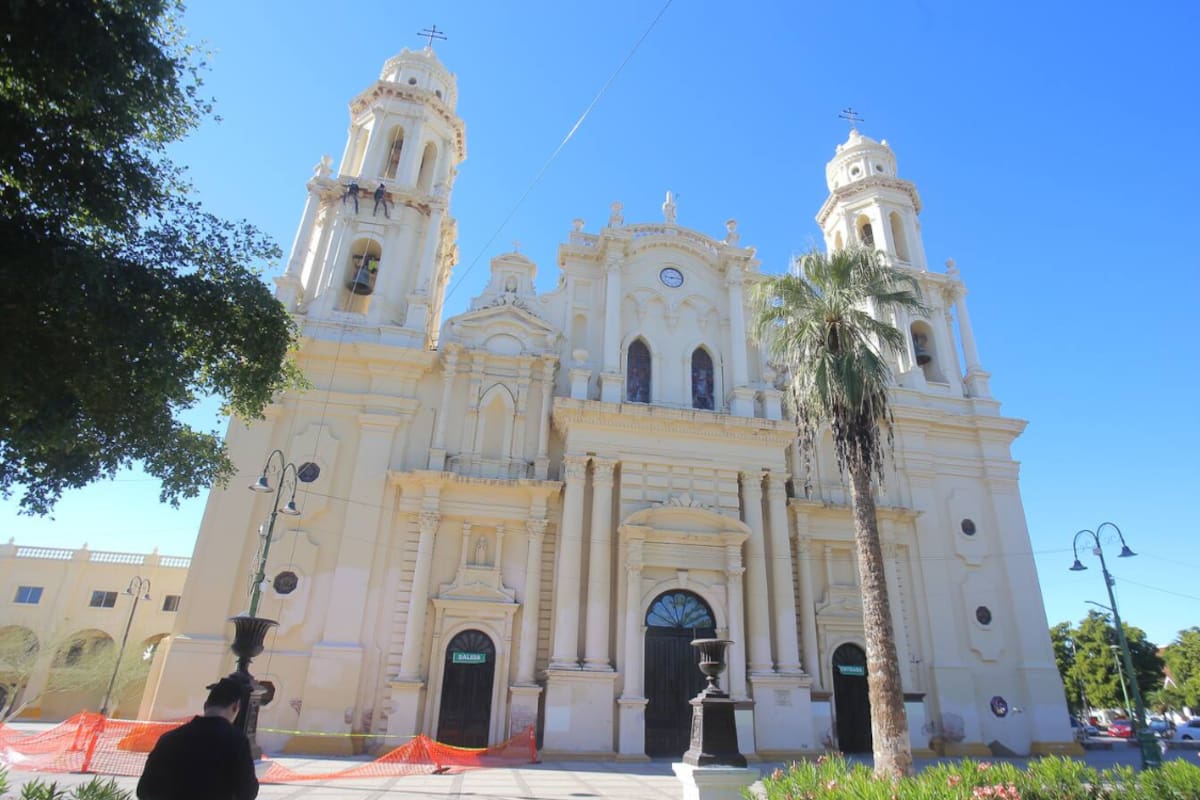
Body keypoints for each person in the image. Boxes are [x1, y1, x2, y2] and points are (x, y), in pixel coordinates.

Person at [137, 677, 259, 800]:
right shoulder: (237, 742)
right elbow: (247, 792)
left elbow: (144, 790)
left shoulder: (169, 739)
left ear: (205, 705)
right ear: (235, 707)